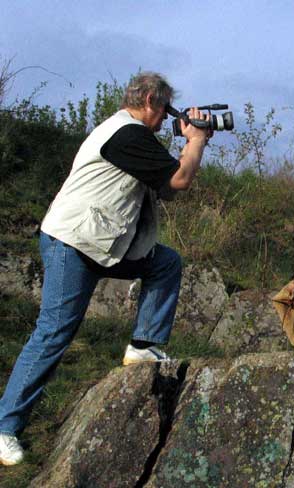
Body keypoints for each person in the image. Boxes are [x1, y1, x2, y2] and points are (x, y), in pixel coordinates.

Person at [0, 72, 213, 466]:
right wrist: (196, 140)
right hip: (73, 242)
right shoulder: (127, 133)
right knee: (54, 333)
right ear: (150, 100)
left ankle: (144, 346)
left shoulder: (131, 136)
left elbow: (167, 187)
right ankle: (4, 427)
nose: (167, 118)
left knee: (165, 262)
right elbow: (180, 179)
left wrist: (192, 143)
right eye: (166, 109)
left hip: (103, 242)